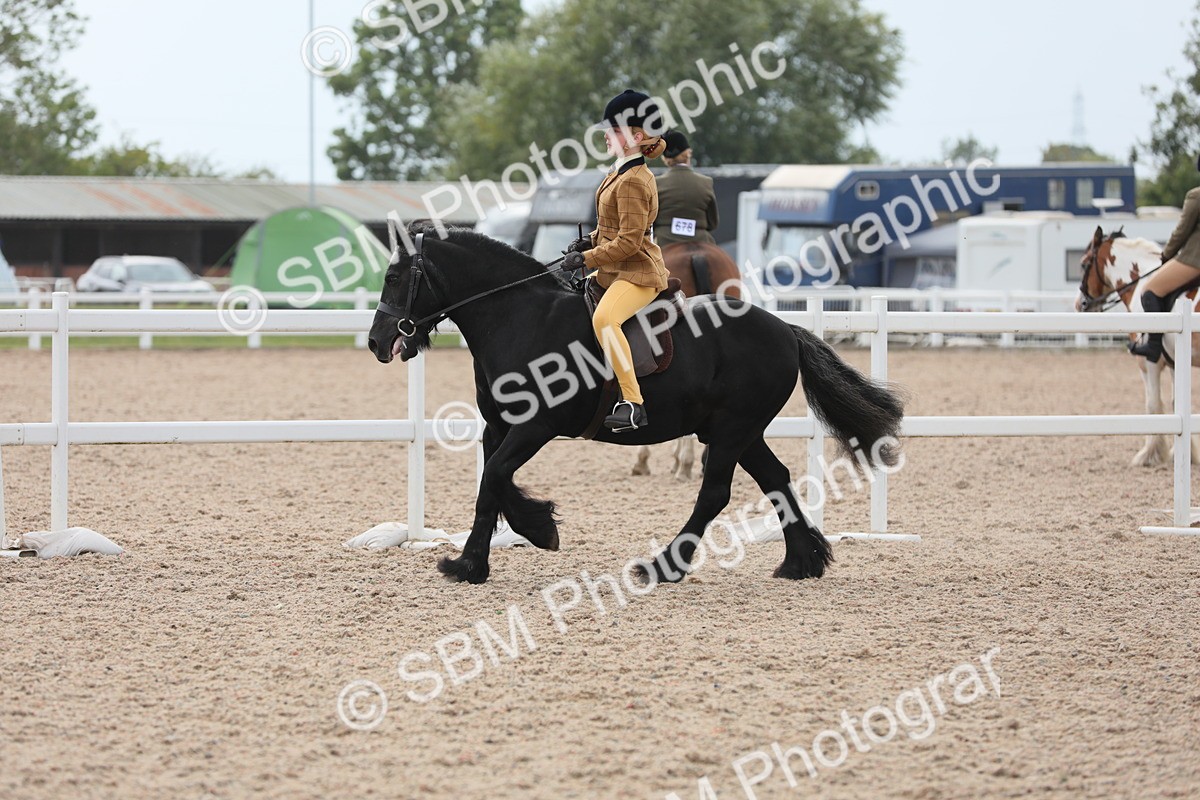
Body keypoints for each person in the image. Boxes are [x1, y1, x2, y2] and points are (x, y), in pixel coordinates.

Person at [562, 89, 670, 432]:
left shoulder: (635, 180)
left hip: (637, 273)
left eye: (615, 130)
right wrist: (587, 241)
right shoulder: (619, 172)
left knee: (606, 319)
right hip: (613, 268)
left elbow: (629, 241)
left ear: (637, 137)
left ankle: (633, 403)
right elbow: (610, 229)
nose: (607, 135)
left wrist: (588, 258)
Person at [1131, 155, 1200, 362]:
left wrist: (1166, 255)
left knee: (1149, 291)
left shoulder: (1196, 196)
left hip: (1194, 260)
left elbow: (1181, 232)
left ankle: (1153, 348)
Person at [653, 129, 719, 247]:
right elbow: (713, 223)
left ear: (665, 158)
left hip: (664, 240)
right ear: (688, 153)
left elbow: (651, 221)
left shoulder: (656, 183)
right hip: (700, 239)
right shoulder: (706, 182)